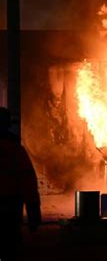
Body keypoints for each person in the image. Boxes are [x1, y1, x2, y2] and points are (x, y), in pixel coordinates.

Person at [0, 107, 41, 260]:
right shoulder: (16, 150)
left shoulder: (15, 150)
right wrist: (33, 211)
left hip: (10, 202)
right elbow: (28, 181)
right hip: (10, 204)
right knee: (10, 242)